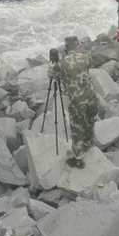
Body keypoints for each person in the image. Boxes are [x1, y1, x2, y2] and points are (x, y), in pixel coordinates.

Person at [51, 36, 97, 169]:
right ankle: (88, 143)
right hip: (91, 95)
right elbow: (88, 66)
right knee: (89, 120)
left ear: (66, 48)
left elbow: (52, 74)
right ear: (77, 46)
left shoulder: (63, 63)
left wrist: (51, 65)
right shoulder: (85, 57)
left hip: (77, 100)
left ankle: (78, 159)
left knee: (77, 128)